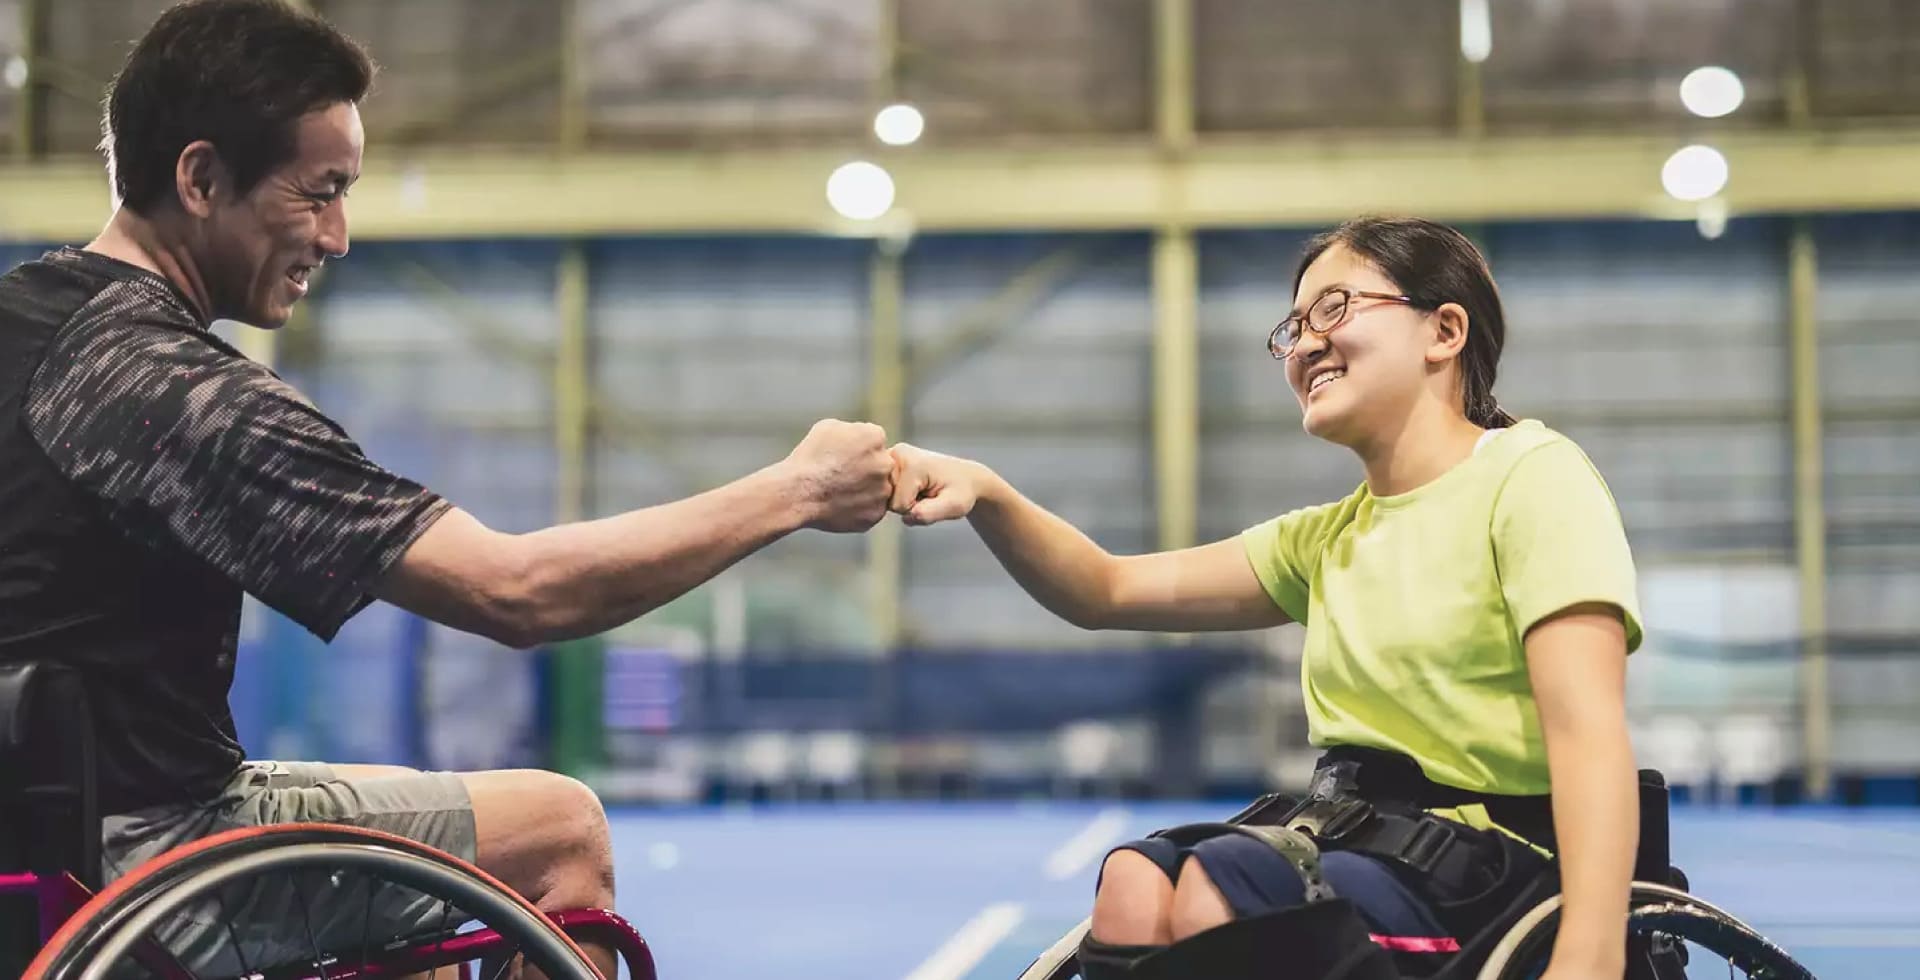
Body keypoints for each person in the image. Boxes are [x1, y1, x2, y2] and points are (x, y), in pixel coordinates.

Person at [0, 0, 892, 975]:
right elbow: (519, 590)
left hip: (45, 837)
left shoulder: (24, 319)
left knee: (422, 830)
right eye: (319, 191)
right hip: (130, 865)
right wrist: (798, 490)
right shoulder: (176, 392)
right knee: (558, 829)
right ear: (202, 177)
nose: (339, 235)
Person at [886, 217, 1642, 979]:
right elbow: (1103, 588)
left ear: (1443, 331)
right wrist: (985, 492)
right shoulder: (1324, 539)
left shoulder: (1533, 475)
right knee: (1135, 883)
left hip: (1494, 876)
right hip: (1353, 841)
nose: (1306, 343)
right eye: (1294, 327)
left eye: (1335, 308)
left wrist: (1591, 950)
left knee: (1227, 893)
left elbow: (1587, 731)